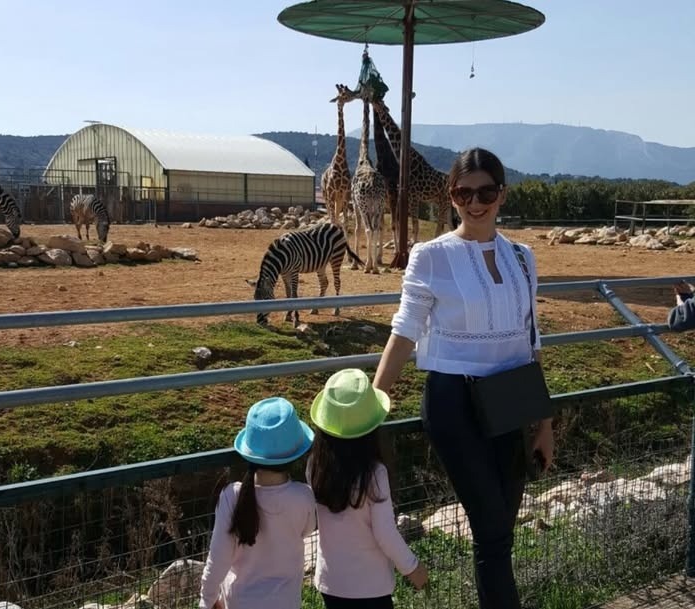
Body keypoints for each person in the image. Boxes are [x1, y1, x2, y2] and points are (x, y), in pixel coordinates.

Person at [373, 147, 554, 609]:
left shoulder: (523, 257)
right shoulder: (430, 256)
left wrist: (544, 423)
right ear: (451, 196)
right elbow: (404, 331)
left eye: (486, 193)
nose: (475, 203)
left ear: (502, 195)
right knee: (491, 528)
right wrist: (373, 404)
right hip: (453, 403)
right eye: (463, 193)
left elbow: (531, 339)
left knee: (500, 531)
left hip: (509, 400)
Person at [307, 368, 428, 609]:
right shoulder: (374, 474)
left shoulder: (315, 465)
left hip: (331, 581)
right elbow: (385, 533)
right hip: (370, 586)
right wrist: (412, 567)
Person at [199, 397, 317, 609]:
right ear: (295, 453)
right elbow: (307, 530)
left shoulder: (231, 497)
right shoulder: (304, 497)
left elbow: (217, 560)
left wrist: (207, 601)